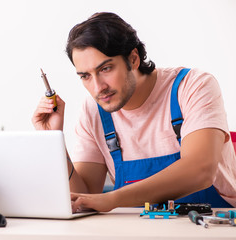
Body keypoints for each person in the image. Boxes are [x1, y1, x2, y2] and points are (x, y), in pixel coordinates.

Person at [32, 12, 236, 212]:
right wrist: (53, 140)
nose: (97, 87)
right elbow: (84, 198)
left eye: (105, 69)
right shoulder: (94, 112)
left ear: (133, 59)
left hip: (214, 223)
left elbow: (200, 171)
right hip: (138, 228)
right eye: (85, 76)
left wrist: (113, 199)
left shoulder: (192, 87)